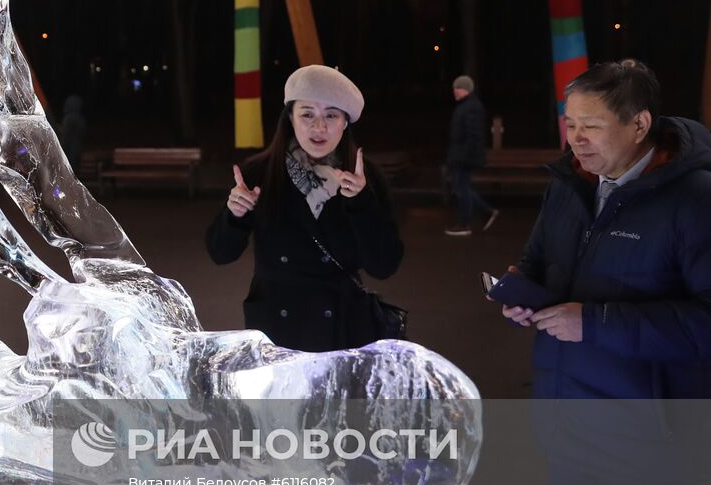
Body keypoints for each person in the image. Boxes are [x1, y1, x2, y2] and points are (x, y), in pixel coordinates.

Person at [497, 60, 711, 485]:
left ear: (640, 125)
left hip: (649, 442)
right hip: (568, 427)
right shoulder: (569, 187)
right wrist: (522, 290)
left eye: (591, 126)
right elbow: (537, 261)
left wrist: (593, 321)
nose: (576, 140)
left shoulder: (705, 203)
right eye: (570, 124)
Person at [205, 65, 404, 352]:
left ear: (345, 122)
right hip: (277, 329)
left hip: (343, 331)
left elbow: (384, 266)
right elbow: (220, 253)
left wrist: (361, 203)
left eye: (331, 115)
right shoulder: (260, 173)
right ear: (290, 118)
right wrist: (234, 215)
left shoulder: (365, 177)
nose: (319, 127)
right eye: (307, 114)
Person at [445, 75, 497, 236]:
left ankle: (467, 223)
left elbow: (473, 136)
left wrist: (462, 158)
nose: (454, 91)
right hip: (462, 156)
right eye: (454, 88)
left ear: (466, 89)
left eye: (458, 88)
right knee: (462, 188)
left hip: (464, 157)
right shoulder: (466, 106)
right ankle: (483, 213)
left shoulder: (470, 107)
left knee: (461, 189)